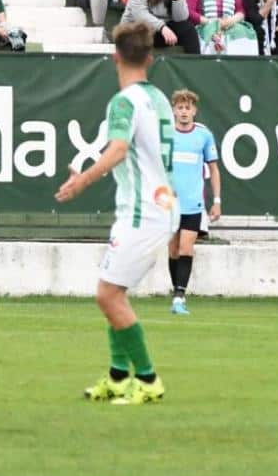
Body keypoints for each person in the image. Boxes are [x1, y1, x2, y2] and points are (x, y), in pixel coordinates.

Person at [54, 22, 172, 405]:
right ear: (150, 59)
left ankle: (148, 379)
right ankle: (119, 377)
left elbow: (118, 149)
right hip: (157, 205)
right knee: (113, 291)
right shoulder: (159, 98)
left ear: (115, 57)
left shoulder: (124, 101)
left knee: (107, 296)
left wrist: (82, 181)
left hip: (142, 211)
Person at [165, 89, 221, 317]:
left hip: (193, 203)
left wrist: (216, 201)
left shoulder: (204, 135)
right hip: (170, 204)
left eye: (187, 108)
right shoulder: (166, 135)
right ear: (174, 110)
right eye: (180, 107)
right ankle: (177, 293)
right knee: (173, 250)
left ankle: (179, 297)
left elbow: (214, 169)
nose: (184, 112)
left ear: (194, 111)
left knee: (186, 248)